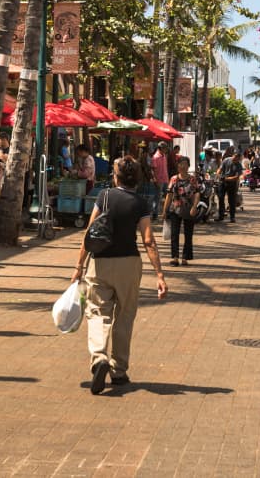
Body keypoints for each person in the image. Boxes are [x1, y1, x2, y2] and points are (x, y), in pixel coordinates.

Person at [68, 156, 166, 394]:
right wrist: (159, 274)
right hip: (129, 264)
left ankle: (99, 358)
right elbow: (149, 240)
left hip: (101, 263)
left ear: (116, 177)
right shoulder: (141, 203)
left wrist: (78, 267)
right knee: (124, 316)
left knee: (97, 312)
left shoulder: (105, 196)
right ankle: (119, 371)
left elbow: (89, 233)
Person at [164, 156, 201, 266]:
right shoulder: (173, 179)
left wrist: (195, 206)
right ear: (177, 166)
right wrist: (165, 210)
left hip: (189, 209)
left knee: (188, 234)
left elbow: (197, 193)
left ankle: (185, 257)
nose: (182, 166)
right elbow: (169, 195)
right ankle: (175, 258)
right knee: (174, 234)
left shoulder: (192, 179)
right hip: (175, 209)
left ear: (188, 166)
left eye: (185, 164)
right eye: (180, 164)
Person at [217, 149, 241, 223]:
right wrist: (218, 174)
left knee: (231, 201)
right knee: (221, 199)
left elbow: (236, 177)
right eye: (234, 156)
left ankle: (232, 217)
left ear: (239, 158)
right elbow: (219, 170)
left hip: (232, 184)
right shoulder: (226, 160)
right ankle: (221, 216)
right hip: (222, 182)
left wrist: (226, 178)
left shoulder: (239, 165)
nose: (234, 158)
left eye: (236, 157)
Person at [150, 143, 170, 217]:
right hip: (159, 180)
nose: (166, 150)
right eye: (164, 148)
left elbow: (165, 168)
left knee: (168, 195)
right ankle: (155, 213)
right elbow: (152, 170)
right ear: (160, 148)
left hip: (165, 179)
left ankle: (166, 212)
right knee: (157, 197)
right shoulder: (155, 157)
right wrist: (155, 180)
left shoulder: (164, 156)